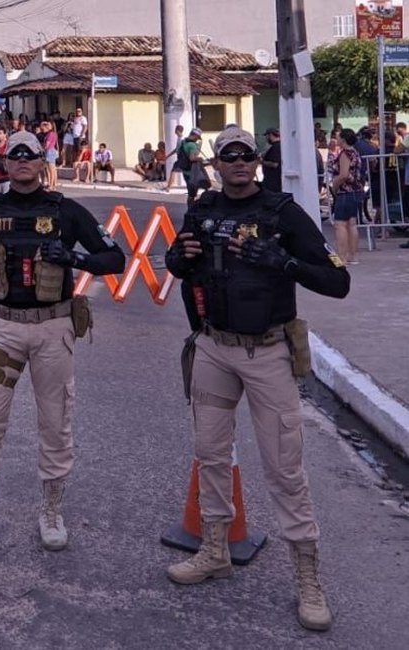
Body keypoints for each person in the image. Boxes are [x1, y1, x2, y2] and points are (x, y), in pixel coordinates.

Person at [164, 126, 350, 632]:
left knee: (286, 470)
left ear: (258, 163)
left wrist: (285, 261)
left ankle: (308, 580)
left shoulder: (283, 213)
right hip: (214, 348)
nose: (241, 163)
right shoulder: (202, 210)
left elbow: (338, 282)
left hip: (268, 353)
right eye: (230, 156)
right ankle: (215, 551)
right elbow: (180, 267)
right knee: (211, 456)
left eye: (248, 155)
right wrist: (177, 262)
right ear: (217, 165)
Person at [0, 131, 126, 548]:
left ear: (42, 162)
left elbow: (114, 257)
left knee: (55, 423)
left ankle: (51, 511)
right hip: (3, 329)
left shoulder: (66, 212)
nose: (23, 161)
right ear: (4, 163)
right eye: (15, 154)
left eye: (30, 154)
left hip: (53, 327)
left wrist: (76, 258)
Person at [329, 129, 365, 264]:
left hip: (345, 192)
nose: (336, 139)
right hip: (356, 190)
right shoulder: (355, 153)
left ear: (343, 139)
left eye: (338, 137)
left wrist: (334, 185)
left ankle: (342, 257)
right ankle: (353, 256)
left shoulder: (345, 154)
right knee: (352, 223)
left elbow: (343, 174)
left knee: (340, 225)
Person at [178, 128, 207, 207]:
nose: (197, 139)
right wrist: (200, 158)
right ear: (195, 135)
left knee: (190, 191)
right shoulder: (192, 145)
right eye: (197, 137)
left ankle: (190, 208)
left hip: (184, 170)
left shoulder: (182, 142)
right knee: (193, 192)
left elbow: (177, 152)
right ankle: (191, 209)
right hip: (192, 171)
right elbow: (192, 158)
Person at [261, 127, 282, 192]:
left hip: (273, 182)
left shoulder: (276, 147)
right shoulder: (279, 146)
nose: (266, 138)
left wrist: (261, 162)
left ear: (270, 135)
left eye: (266, 136)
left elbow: (275, 164)